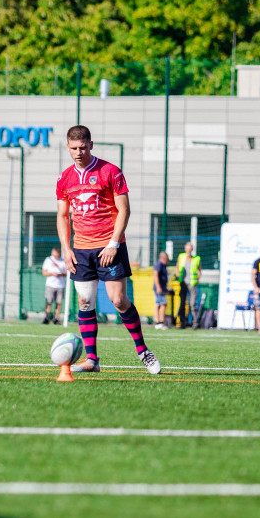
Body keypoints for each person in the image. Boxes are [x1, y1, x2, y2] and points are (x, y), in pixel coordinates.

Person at [56, 125, 160, 374]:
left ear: (91, 144)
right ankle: (91, 359)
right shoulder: (64, 178)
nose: (78, 152)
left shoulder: (110, 171)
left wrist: (114, 243)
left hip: (109, 246)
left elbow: (124, 210)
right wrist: (66, 249)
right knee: (85, 303)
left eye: (83, 147)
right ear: (67, 147)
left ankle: (143, 350)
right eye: (73, 148)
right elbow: (62, 215)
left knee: (118, 300)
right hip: (80, 250)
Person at [176, 242, 201, 329]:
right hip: (183, 283)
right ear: (185, 249)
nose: (189, 250)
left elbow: (199, 271)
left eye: (190, 249)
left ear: (192, 249)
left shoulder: (197, 259)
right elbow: (177, 268)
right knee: (182, 303)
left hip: (192, 284)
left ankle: (195, 323)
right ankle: (182, 323)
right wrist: (178, 276)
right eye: (187, 249)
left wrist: (197, 280)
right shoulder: (181, 257)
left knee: (193, 304)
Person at [41, 247, 67, 325]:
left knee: (58, 303)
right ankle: (47, 318)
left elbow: (66, 272)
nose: (56, 257)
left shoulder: (63, 261)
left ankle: (56, 319)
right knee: (48, 302)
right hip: (50, 285)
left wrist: (60, 274)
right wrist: (52, 273)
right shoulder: (48, 260)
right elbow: (44, 272)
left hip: (60, 285)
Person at [153, 251, 169, 330]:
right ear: (164, 258)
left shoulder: (163, 265)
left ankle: (158, 322)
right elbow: (155, 275)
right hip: (159, 288)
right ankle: (160, 322)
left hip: (162, 288)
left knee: (158, 304)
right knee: (163, 304)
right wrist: (158, 287)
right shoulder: (159, 264)